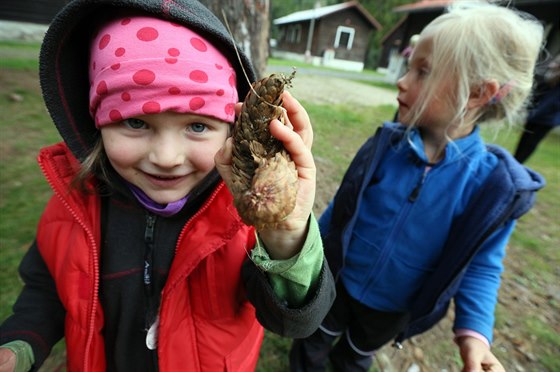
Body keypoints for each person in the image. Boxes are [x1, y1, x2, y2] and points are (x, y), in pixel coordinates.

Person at [0, 0, 336, 371]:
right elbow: (47, 291)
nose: (166, 156)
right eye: (136, 123)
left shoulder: (244, 219)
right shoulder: (74, 209)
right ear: (97, 122)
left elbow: (295, 321)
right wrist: (21, 345)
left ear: (232, 128)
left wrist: (284, 234)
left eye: (197, 126)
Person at [290, 2, 545, 372]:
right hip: (338, 282)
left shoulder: (494, 189)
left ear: (477, 94)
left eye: (423, 71)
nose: (402, 80)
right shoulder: (384, 146)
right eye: (410, 65)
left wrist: (474, 335)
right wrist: (304, 261)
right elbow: (340, 212)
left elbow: (483, 267)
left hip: (392, 308)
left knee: (355, 357)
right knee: (313, 340)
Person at [514, 53, 560, 163]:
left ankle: (518, 163)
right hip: (538, 116)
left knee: (530, 143)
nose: (552, 64)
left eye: (556, 63)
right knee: (524, 141)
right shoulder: (551, 77)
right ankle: (516, 161)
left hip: (546, 119)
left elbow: (550, 102)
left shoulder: (556, 81)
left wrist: (533, 113)